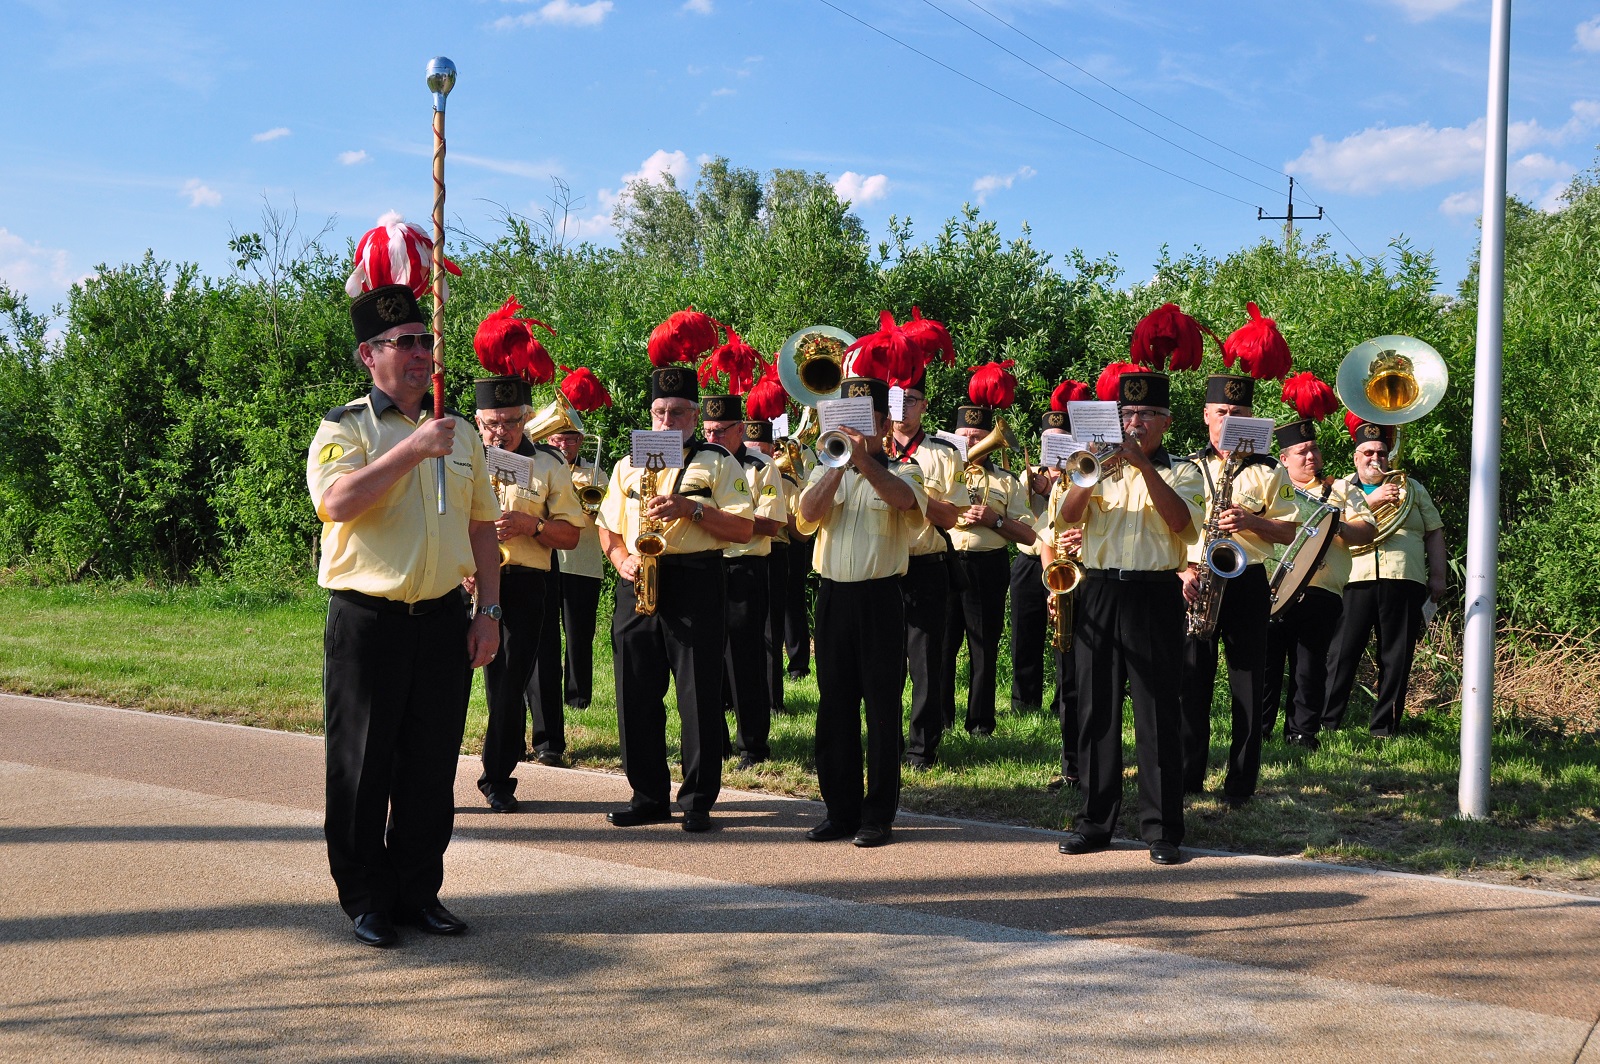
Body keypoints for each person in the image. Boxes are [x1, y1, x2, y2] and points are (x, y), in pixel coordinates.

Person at [307, 282, 501, 948]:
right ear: (369, 355)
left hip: (444, 618)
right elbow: (336, 503)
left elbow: (484, 531)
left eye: (426, 340)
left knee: (428, 767)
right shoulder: (347, 426)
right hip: (368, 620)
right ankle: (365, 898)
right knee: (362, 766)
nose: (421, 353)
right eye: (404, 343)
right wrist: (412, 450)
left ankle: (419, 892)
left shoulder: (464, 434)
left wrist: (489, 611)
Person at [1049, 367, 1202, 865]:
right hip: (1098, 590)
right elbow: (1069, 517)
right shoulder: (1092, 463)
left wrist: (1143, 466)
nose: (1134, 422)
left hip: (1154, 594)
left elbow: (1181, 523)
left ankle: (1162, 829)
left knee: (1158, 713)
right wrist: (1090, 474)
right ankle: (1095, 822)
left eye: (1145, 414)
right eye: (1127, 413)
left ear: (1165, 422)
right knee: (1096, 708)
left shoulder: (1183, 471)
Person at [595, 360, 754, 832]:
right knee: (634, 692)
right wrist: (621, 558)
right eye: (661, 411)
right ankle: (647, 795)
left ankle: (698, 800)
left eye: (680, 412)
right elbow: (607, 526)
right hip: (636, 581)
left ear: (693, 415)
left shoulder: (718, 461)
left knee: (697, 694)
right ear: (651, 412)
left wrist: (692, 510)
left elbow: (744, 527)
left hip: (695, 580)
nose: (668, 421)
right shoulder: (627, 463)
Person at [797, 375, 929, 847]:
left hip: (879, 599)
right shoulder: (822, 469)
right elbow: (807, 516)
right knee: (834, 707)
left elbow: (905, 501)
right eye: (845, 423)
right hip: (833, 596)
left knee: (881, 708)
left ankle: (878, 814)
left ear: (880, 424)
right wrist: (837, 465)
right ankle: (839, 810)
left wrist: (865, 461)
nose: (854, 431)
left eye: (864, 422)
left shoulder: (904, 469)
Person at [1179, 373, 1298, 805]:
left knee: (1248, 684)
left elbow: (1290, 531)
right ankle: (1188, 775)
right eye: (1223, 413)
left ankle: (1240, 785)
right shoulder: (1186, 467)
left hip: (1246, 578)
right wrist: (1181, 573)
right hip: (1194, 578)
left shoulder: (1269, 470)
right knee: (1190, 684)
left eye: (1240, 414)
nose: (1230, 420)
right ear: (1207, 416)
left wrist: (1252, 522)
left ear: (1253, 420)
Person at [472, 376, 583, 812]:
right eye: (493, 424)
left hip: (523, 582)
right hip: (460, 580)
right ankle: (428, 780)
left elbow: (572, 535)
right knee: (444, 685)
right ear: (478, 421)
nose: (502, 432)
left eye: (513, 422)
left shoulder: (549, 463)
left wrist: (530, 526)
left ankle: (497, 778)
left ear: (528, 418)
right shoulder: (461, 458)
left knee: (509, 684)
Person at [1323, 415, 1448, 737]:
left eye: (1381, 453)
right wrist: (1370, 501)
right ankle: (1327, 723)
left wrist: (1438, 575)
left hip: (1404, 578)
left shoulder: (1412, 488)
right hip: (1354, 578)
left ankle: (1384, 726)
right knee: (1342, 653)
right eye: (1368, 453)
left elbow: (1434, 531)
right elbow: (1327, 529)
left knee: (1396, 655)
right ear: (1356, 456)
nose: (1375, 459)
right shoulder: (1341, 490)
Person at [1263, 415, 1375, 749]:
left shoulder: (1342, 489)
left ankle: (1302, 733)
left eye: (1314, 450)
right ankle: (1259, 729)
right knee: (1266, 663)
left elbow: (1366, 530)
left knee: (1309, 667)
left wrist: (1334, 525)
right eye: (1302, 452)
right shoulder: (1271, 486)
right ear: (1284, 459)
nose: (1311, 457)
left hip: (1320, 591)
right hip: (1272, 588)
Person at [942, 363, 1036, 736]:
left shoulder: (1006, 481)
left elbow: (1029, 534)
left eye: (979, 435)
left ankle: (980, 722)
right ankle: (942, 719)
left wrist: (995, 520)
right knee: (942, 645)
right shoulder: (942, 470)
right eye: (965, 435)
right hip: (946, 560)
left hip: (987, 565)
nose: (971, 442)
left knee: (984, 647)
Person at [702, 394, 786, 767]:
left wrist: (718, 519)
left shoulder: (761, 466)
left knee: (744, 660)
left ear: (740, 430)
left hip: (744, 569)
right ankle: (713, 741)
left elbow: (773, 523)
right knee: (704, 659)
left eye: (721, 431)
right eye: (707, 431)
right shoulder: (698, 463)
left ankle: (752, 746)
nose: (713, 437)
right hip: (705, 565)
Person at [886, 371, 963, 768]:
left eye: (911, 400)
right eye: (895, 401)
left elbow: (952, 517)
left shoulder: (944, 454)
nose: (901, 410)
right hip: (881, 567)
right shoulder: (868, 451)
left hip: (925, 564)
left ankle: (921, 748)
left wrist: (913, 496)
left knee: (926, 661)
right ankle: (887, 742)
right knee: (884, 661)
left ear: (924, 405)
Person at [526, 425, 609, 766]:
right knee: (541, 638)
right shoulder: (540, 467)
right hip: (545, 560)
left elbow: (598, 509)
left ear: (579, 442)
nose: (564, 444)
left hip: (582, 562)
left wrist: (576, 494)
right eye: (558, 439)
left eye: (570, 439)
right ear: (548, 440)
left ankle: (578, 696)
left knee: (578, 635)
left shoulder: (595, 471)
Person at [1031, 380, 1091, 788]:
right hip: (1069, 584)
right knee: (1068, 681)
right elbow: (1048, 539)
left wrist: (1089, 540)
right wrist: (1054, 584)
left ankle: (1096, 767)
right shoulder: (1061, 487)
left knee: (1096, 684)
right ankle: (1072, 768)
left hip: (1100, 580)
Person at [745, 419, 800, 714]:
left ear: (771, 447)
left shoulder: (784, 480)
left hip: (776, 552)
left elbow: (796, 525)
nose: (757, 453)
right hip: (744, 551)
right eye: (751, 447)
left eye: (761, 448)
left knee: (771, 627)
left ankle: (772, 699)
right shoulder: (736, 469)